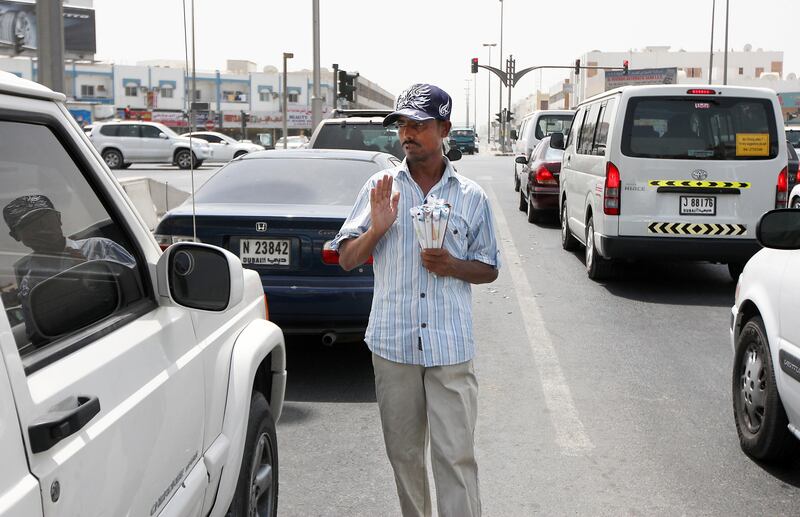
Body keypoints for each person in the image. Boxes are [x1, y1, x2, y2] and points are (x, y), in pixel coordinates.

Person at [331, 83, 500, 517]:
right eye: (403, 125)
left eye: (418, 125)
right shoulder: (380, 188)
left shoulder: (471, 197)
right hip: (394, 346)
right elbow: (347, 258)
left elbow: (489, 267)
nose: (407, 134)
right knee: (404, 458)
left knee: (456, 459)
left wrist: (452, 265)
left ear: (444, 128)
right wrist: (377, 228)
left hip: (449, 349)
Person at [3, 194, 136, 344]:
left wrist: (93, 272)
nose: (41, 229)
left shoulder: (101, 248)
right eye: (28, 226)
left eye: (45, 219)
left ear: (59, 219)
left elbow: (139, 286)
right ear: (16, 236)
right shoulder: (31, 284)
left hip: (123, 332)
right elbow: (39, 336)